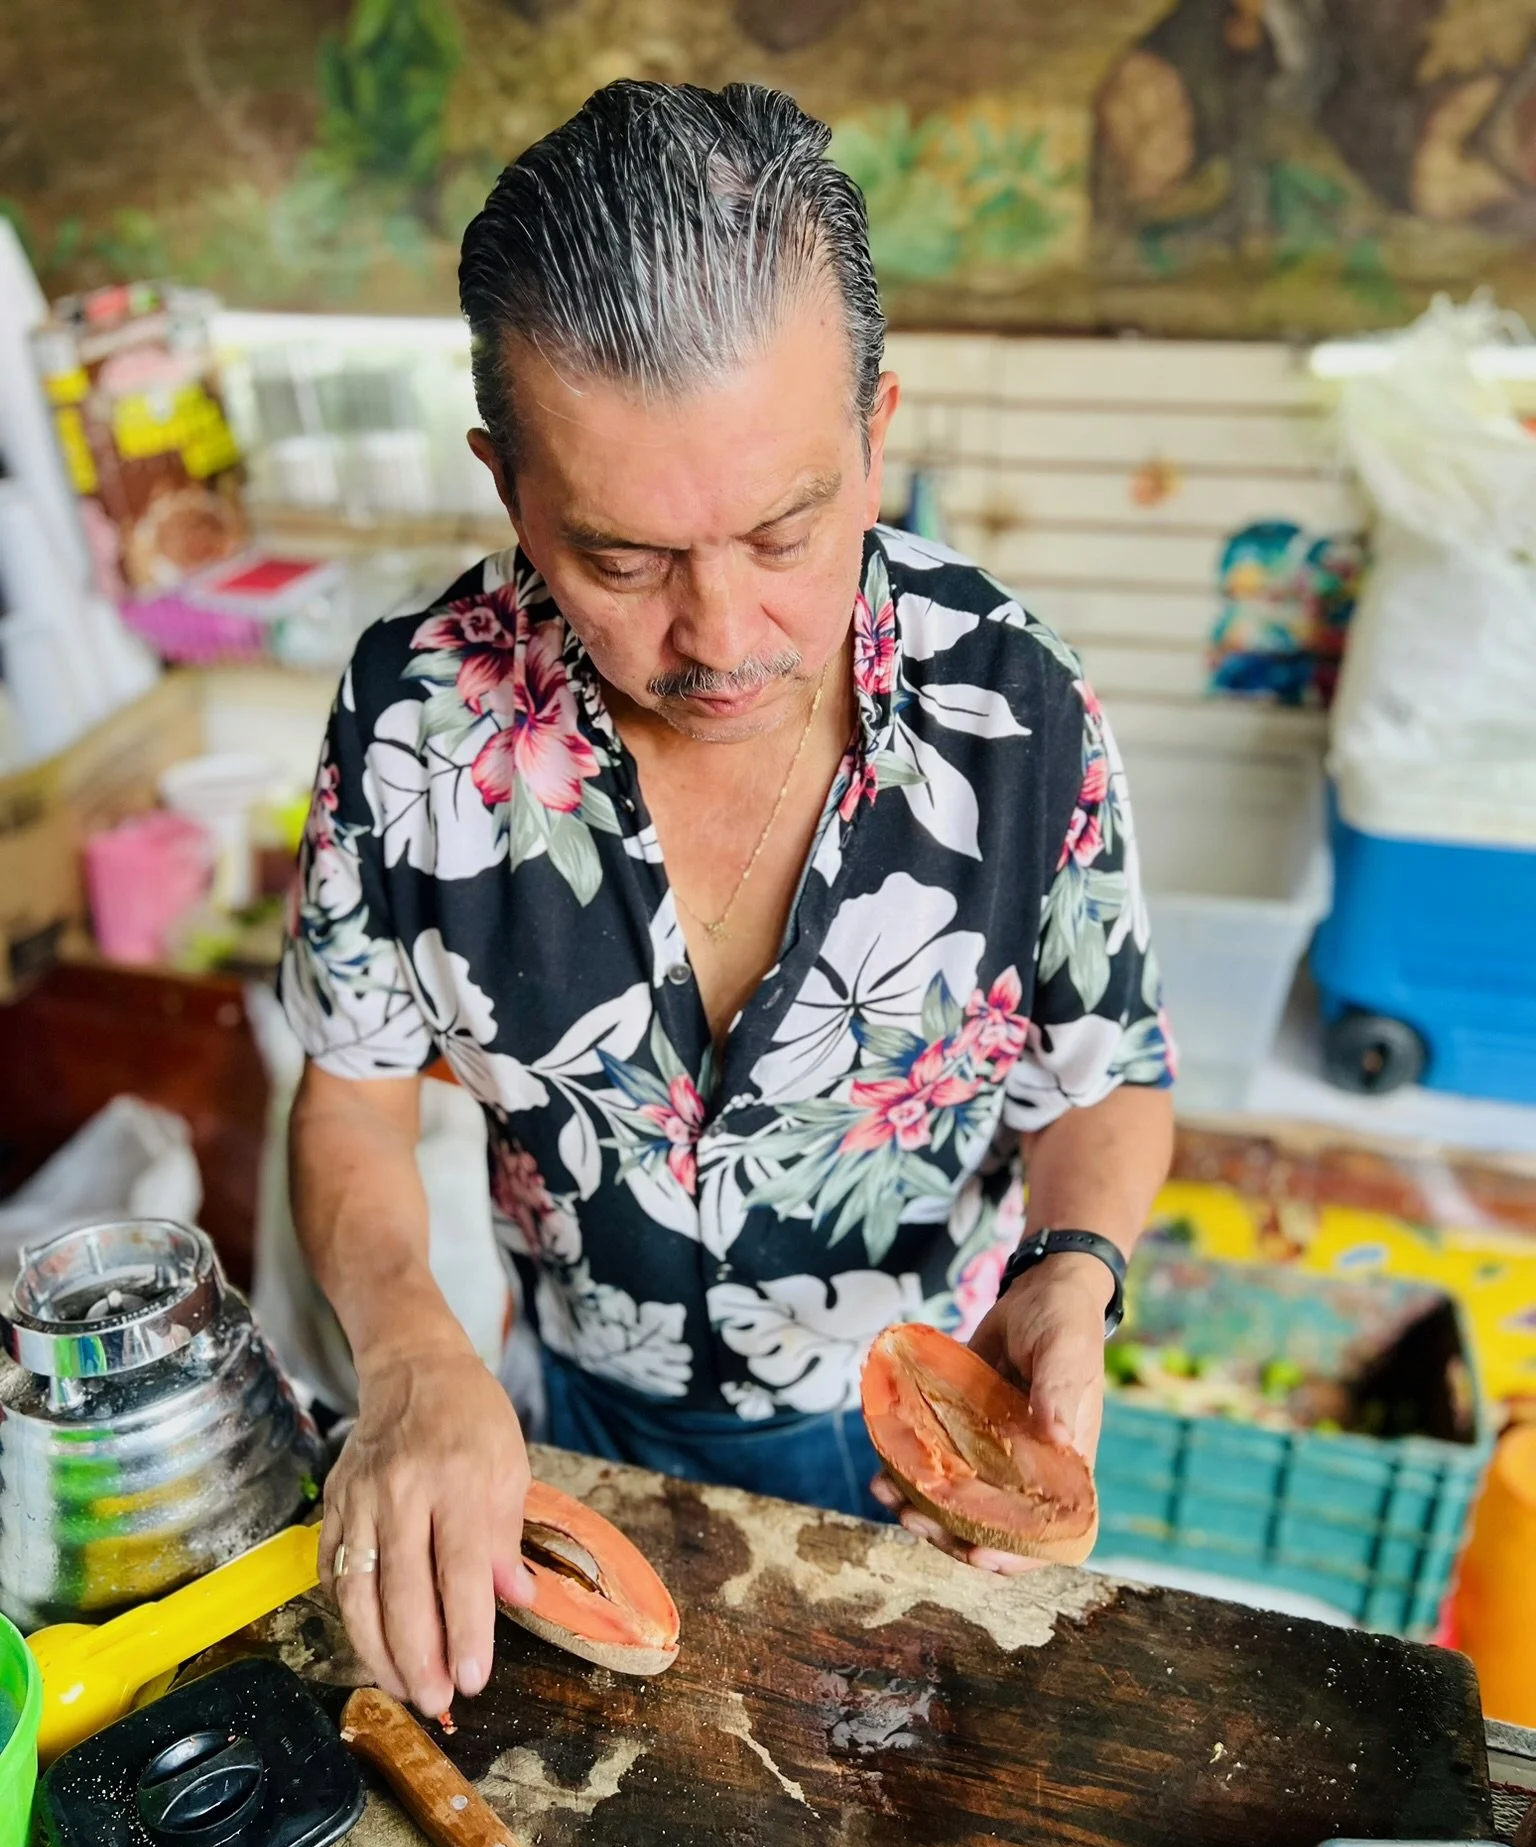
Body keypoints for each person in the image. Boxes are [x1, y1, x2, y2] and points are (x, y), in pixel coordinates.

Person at [279, 80, 1177, 1721]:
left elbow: (1105, 1076)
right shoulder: (413, 723)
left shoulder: (1019, 709)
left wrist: (1070, 1268)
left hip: (920, 1423)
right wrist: (412, 1355)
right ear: (509, 487)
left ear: (875, 429)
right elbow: (349, 1101)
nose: (726, 637)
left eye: (788, 529)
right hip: (557, 1411)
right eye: (621, 559)